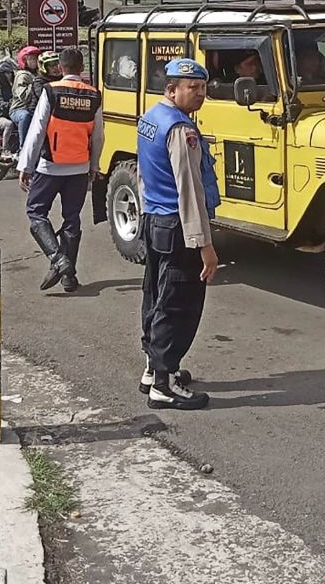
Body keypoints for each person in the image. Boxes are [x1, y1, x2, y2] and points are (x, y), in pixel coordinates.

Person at [137, 58, 222, 410]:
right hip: (177, 226)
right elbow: (190, 191)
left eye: (203, 88)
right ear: (171, 89)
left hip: (156, 221)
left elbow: (144, 174)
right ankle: (164, 384)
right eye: (192, 88)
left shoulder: (150, 119)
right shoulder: (180, 130)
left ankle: (152, 367)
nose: (200, 94)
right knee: (179, 304)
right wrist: (205, 245)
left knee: (156, 296)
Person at [18, 47, 104, 293]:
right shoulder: (93, 95)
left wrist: (26, 165)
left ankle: (58, 259)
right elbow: (98, 136)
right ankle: (69, 277)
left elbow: (37, 130)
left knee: (36, 213)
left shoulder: (51, 91)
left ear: (61, 68)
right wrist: (94, 165)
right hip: (78, 167)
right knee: (72, 220)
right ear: (81, 69)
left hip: (50, 166)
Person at [10, 46, 42, 147]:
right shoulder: (22, 75)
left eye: (36, 58)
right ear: (24, 60)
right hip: (19, 109)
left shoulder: (39, 74)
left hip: (35, 108)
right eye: (31, 59)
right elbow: (23, 96)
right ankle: (23, 147)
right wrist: (33, 84)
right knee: (25, 116)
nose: (34, 61)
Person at [0, 59, 19, 154]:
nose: (10, 75)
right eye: (7, 73)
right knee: (8, 124)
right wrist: (12, 103)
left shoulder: (12, 86)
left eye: (10, 73)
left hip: (10, 113)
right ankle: (5, 149)